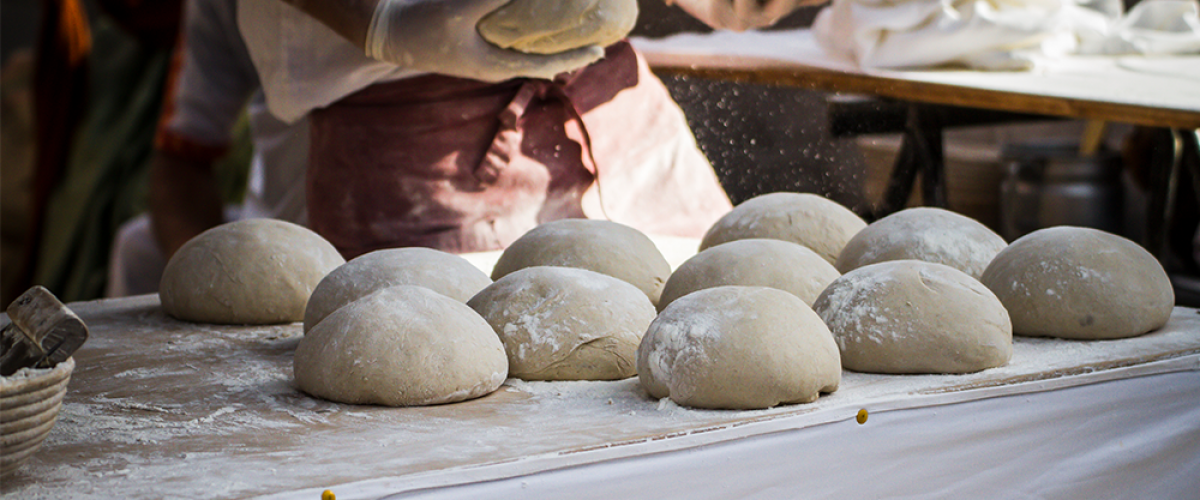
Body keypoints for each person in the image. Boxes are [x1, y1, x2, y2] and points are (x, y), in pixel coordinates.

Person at [236, 0, 735, 258]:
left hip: (618, 104)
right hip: (422, 154)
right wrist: (374, 20)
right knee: (457, 402)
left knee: (730, 323)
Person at [107, 0, 309, 296]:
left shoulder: (390, 18)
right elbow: (180, 162)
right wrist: (205, 280)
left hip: (383, 231)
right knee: (138, 248)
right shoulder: (220, 5)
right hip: (276, 220)